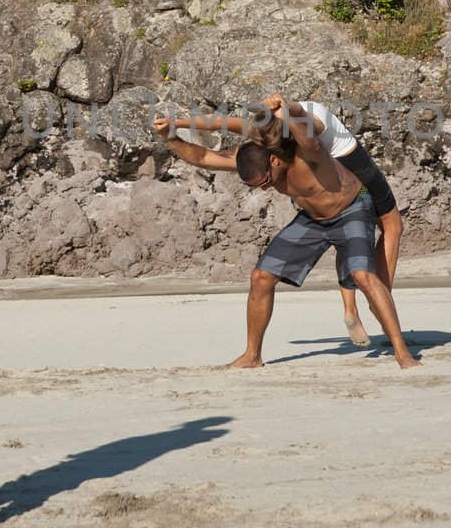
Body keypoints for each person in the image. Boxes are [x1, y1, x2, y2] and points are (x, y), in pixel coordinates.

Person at [154, 95, 422, 370]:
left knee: (363, 274)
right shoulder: (257, 154)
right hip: (313, 220)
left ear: (275, 161)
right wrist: (170, 135)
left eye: (266, 182)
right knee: (261, 277)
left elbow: (309, 135)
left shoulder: (308, 153)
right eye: (257, 187)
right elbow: (203, 157)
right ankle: (252, 355)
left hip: (352, 209)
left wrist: (286, 110)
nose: (266, 189)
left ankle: (402, 354)